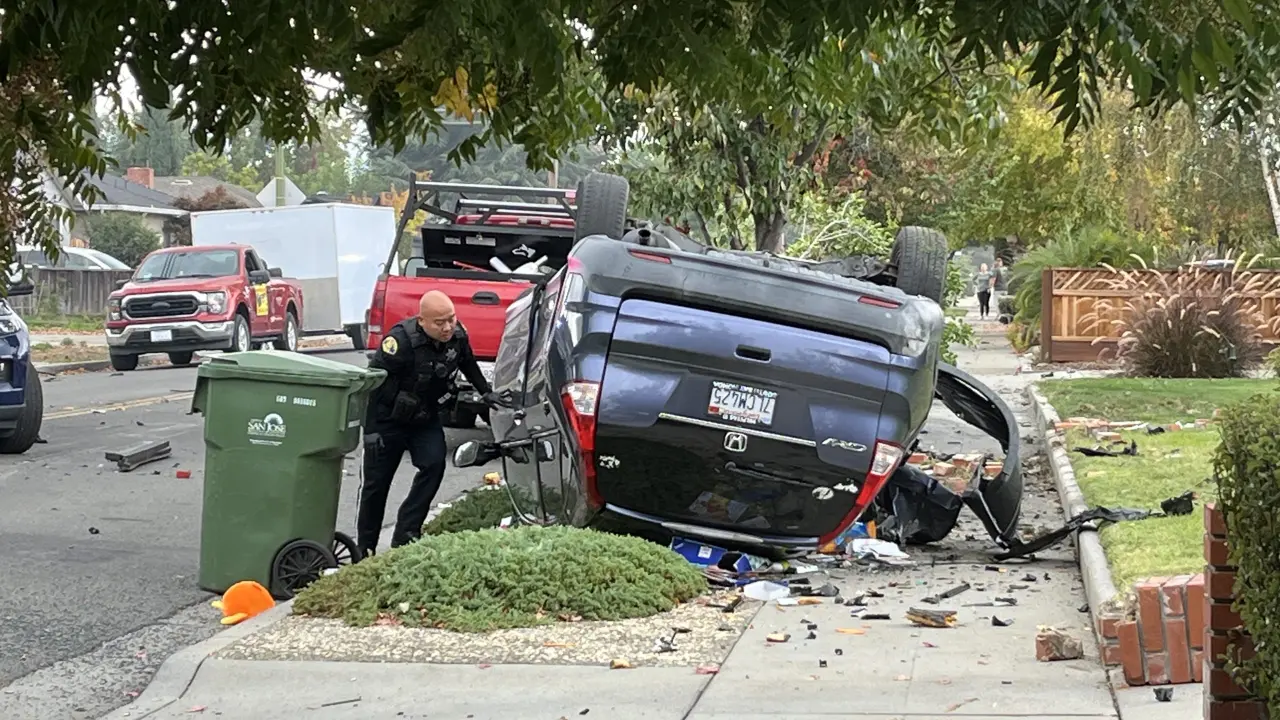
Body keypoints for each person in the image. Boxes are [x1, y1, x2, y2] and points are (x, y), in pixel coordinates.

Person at [356, 290, 496, 557]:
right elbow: (372, 386)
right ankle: (365, 547)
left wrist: (486, 392)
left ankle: (407, 531)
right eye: (439, 322)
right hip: (388, 420)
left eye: (451, 319)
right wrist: (370, 431)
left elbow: (467, 362)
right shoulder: (400, 342)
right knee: (377, 485)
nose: (447, 327)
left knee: (433, 465)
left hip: (424, 418)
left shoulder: (457, 335)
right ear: (422, 321)